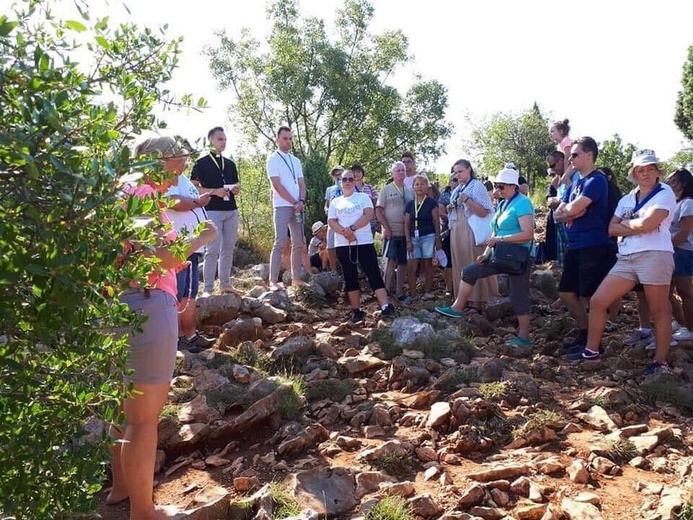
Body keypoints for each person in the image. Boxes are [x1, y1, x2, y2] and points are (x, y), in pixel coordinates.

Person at [109, 136, 218, 519]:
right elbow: (158, 258)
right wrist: (200, 237)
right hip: (147, 302)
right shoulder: (141, 195)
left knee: (119, 409)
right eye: (179, 162)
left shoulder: (120, 192)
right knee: (142, 418)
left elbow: (133, 255)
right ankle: (144, 510)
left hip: (116, 305)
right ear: (160, 161)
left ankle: (122, 489)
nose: (182, 172)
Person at [574, 149, 676, 376]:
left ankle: (660, 362)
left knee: (659, 310)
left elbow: (649, 224)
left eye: (650, 169)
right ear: (634, 172)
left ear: (657, 171)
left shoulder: (665, 192)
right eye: (641, 169)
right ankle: (591, 351)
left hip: (655, 255)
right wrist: (637, 225)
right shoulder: (627, 198)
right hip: (627, 257)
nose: (646, 173)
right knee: (599, 300)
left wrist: (629, 226)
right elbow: (611, 228)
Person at [435, 168, 535, 347]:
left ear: (513, 187)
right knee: (470, 271)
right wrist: (486, 253)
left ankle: (524, 337)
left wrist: (500, 239)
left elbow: (527, 234)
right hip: (500, 254)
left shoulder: (523, 203)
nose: (498, 190)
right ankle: (457, 308)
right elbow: (495, 230)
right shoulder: (504, 204)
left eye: (502, 186)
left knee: (518, 295)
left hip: (519, 257)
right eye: (497, 186)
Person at [553, 137, 617, 353]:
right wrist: (573, 210)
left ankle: (594, 344)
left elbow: (569, 210)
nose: (570, 159)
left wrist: (572, 210)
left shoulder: (596, 180)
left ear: (589, 155)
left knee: (589, 295)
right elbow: (559, 214)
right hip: (576, 245)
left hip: (594, 245)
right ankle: (585, 333)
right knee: (567, 292)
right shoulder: (577, 183)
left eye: (575, 154)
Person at [327, 170, 396, 322]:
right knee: (350, 276)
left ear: (355, 180)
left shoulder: (363, 197)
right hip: (343, 244)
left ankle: (385, 307)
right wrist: (345, 233)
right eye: (344, 179)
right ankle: (357, 311)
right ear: (340, 181)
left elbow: (369, 214)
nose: (348, 181)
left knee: (373, 273)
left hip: (364, 242)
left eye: (351, 179)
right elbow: (331, 221)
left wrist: (352, 229)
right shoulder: (335, 202)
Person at [165, 156, 216, 352]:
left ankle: (190, 334)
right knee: (177, 293)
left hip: (193, 247)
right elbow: (172, 202)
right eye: (181, 159)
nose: (185, 163)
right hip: (179, 245)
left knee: (190, 293)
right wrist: (197, 202)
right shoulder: (167, 181)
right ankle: (177, 338)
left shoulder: (185, 180)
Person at [191, 126, 241, 296]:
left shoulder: (230, 164)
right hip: (212, 211)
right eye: (220, 139)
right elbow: (194, 188)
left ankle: (225, 284)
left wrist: (235, 189)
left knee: (228, 248)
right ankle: (207, 289)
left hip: (231, 210)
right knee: (212, 250)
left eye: (225, 139)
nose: (223, 142)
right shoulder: (201, 163)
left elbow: (236, 184)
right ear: (210, 141)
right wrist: (214, 191)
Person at [446, 159, 496, 308]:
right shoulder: (457, 189)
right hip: (457, 229)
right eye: (455, 172)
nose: (457, 175)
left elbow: (483, 211)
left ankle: (479, 300)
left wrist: (467, 200)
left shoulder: (476, 186)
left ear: (469, 169)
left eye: (460, 171)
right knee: (460, 262)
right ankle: (464, 299)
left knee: (473, 261)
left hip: (471, 229)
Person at [267, 126, 308, 291]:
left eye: (290, 138)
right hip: (282, 205)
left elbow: (302, 184)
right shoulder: (272, 159)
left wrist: (301, 201)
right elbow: (276, 185)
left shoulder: (296, 161)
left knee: (299, 242)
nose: (288, 141)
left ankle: (296, 278)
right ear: (277, 140)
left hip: (297, 206)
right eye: (285, 138)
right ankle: (273, 281)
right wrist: (294, 201)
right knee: (280, 241)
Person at [376, 161, 414, 299]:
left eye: (403, 170)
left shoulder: (410, 190)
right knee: (390, 262)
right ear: (392, 173)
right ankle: (385, 291)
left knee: (403, 263)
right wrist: (386, 228)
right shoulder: (386, 190)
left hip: (405, 233)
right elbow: (378, 212)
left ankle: (399, 292)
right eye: (397, 170)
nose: (401, 173)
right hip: (390, 232)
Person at [403, 175, 441, 302]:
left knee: (428, 264)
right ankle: (412, 294)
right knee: (411, 267)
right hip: (413, 238)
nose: (419, 186)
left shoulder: (431, 202)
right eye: (417, 184)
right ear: (413, 187)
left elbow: (436, 222)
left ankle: (427, 292)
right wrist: (408, 241)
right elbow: (406, 224)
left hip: (428, 236)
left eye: (422, 184)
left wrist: (438, 238)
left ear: (427, 187)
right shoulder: (409, 204)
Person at [666, 168, 693, 341]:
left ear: (683, 183)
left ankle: (690, 328)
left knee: (684, 290)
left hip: (683, 250)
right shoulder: (673, 202)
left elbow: (684, 231)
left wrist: (667, 246)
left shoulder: (688, 203)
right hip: (673, 250)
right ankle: (681, 322)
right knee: (666, 291)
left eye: (673, 180)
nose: (669, 183)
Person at [438, 172, 458, 295]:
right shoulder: (444, 196)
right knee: (448, 260)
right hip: (448, 230)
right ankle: (448, 288)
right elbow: (441, 213)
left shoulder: (467, 193)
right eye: (454, 180)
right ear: (450, 182)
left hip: (465, 231)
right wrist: (453, 218)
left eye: (457, 179)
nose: (456, 182)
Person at [323, 165, 345, 272]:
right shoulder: (329, 189)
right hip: (332, 220)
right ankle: (333, 270)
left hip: (345, 219)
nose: (338, 177)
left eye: (340, 174)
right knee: (330, 246)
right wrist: (327, 209)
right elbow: (326, 204)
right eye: (336, 175)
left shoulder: (349, 186)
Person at [351, 163, 379, 234]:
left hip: (370, 221)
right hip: (354, 222)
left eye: (358, 172)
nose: (356, 174)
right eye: (353, 172)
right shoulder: (349, 188)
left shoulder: (370, 188)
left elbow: (376, 203)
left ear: (362, 174)